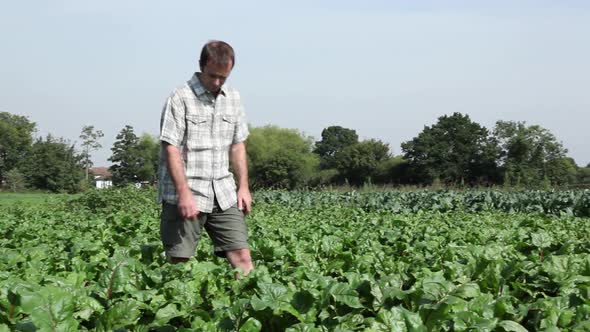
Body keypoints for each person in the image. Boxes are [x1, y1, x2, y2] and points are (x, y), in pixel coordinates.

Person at [157, 40, 253, 275]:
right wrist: (184, 193)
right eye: (213, 76)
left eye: (224, 77)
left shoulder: (233, 98)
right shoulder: (180, 98)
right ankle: (182, 309)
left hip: (223, 190)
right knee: (179, 261)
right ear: (201, 67)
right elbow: (171, 149)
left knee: (242, 257)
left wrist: (243, 187)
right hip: (189, 191)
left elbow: (237, 145)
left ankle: (243, 308)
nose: (218, 82)